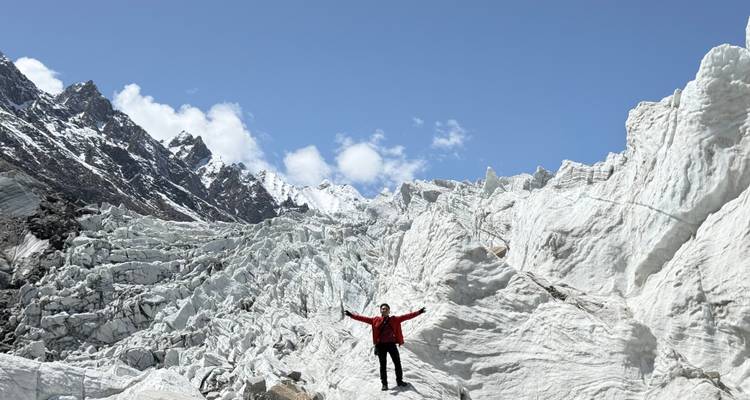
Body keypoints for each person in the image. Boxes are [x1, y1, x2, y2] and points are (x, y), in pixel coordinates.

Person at [345, 303, 426, 391]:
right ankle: (384, 384)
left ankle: (399, 381)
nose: (384, 310)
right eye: (383, 309)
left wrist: (419, 312)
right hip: (380, 346)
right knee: (382, 366)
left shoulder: (395, 319)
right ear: (380, 310)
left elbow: (407, 316)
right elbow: (362, 318)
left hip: (391, 345)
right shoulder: (375, 320)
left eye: (386, 309)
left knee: (397, 363)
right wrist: (351, 315)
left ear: (389, 311)